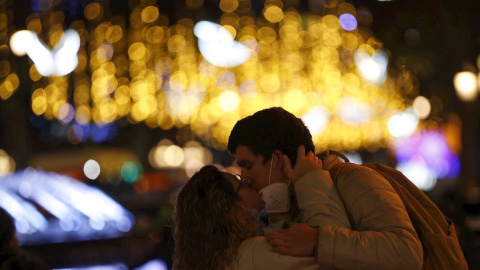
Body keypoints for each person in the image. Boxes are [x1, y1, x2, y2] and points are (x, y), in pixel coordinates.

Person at [227, 107, 423, 270]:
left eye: (248, 165)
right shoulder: (289, 202)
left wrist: (319, 241)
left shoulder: (352, 179)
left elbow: (407, 251)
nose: (244, 176)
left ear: (277, 159)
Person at [172, 148, 351, 270]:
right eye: (240, 183)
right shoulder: (252, 254)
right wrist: (313, 179)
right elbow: (340, 255)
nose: (247, 180)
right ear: (229, 207)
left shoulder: (227, 257)